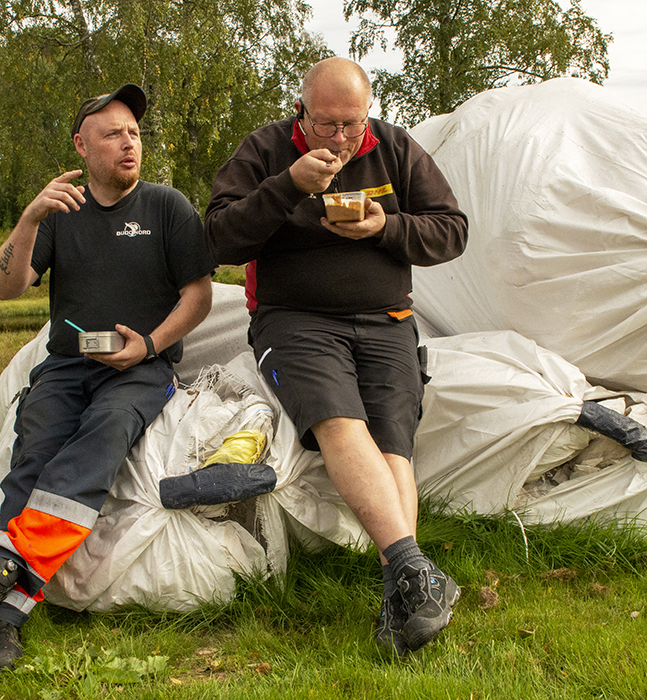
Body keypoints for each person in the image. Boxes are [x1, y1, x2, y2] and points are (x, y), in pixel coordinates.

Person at [204, 57, 468, 656]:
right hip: (293, 319)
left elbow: (452, 231)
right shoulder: (266, 150)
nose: (343, 139)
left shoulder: (396, 149)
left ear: (368, 113)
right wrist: (289, 185)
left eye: (353, 125)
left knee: (393, 439)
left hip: (388, 320)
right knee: (337, 418)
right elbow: (218, 237)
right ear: (302, 110)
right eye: (327, 125)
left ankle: (401, 591)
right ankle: (415, 573)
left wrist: (386, 226)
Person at [0, 84, 215, 671]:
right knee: (35, 449)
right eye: (113, 134)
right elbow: (5, 286)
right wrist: (28, 218)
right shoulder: (60, 214)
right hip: (67, 366)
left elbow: (198, 296)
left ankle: (0, 590)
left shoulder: (167, 207)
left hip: (141, 369)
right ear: (81, 145)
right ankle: (0, 602)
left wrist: (148, 344)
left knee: (106, 431)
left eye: (135, 133)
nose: (130, 143)